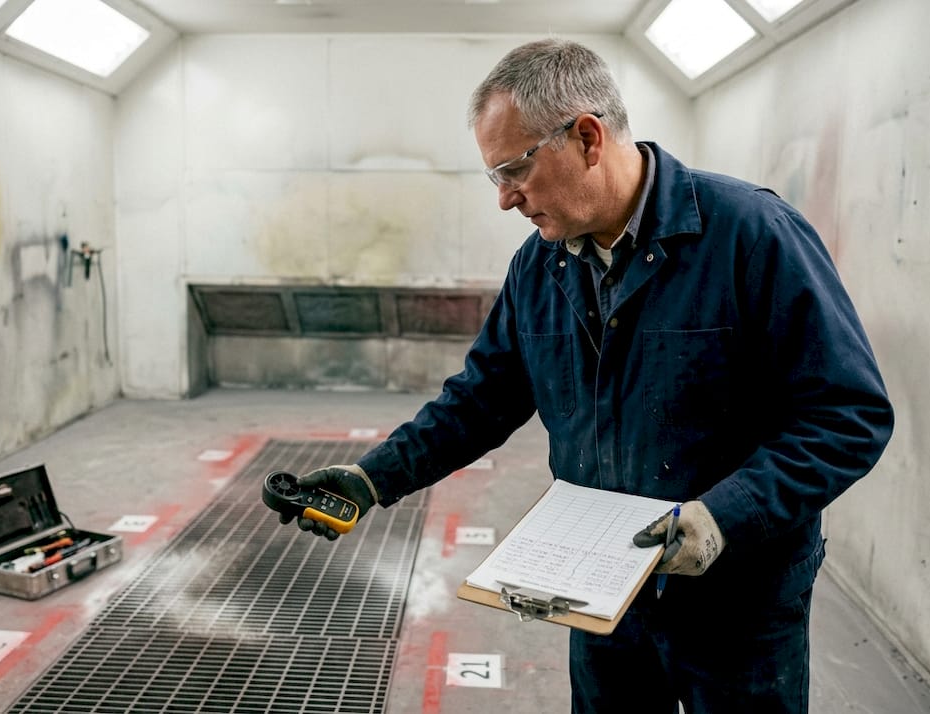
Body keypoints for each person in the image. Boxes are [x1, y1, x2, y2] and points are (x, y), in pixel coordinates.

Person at [275, 38, 894, 714]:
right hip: (601, 595)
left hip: (737, 598)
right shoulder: (540, 269)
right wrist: (372, 479)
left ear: (588, 138)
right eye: (494, 178)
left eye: (514, 170)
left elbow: (848, 415)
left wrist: (723, 517)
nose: (506, 200)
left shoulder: (751, 234)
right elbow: (480, 401)